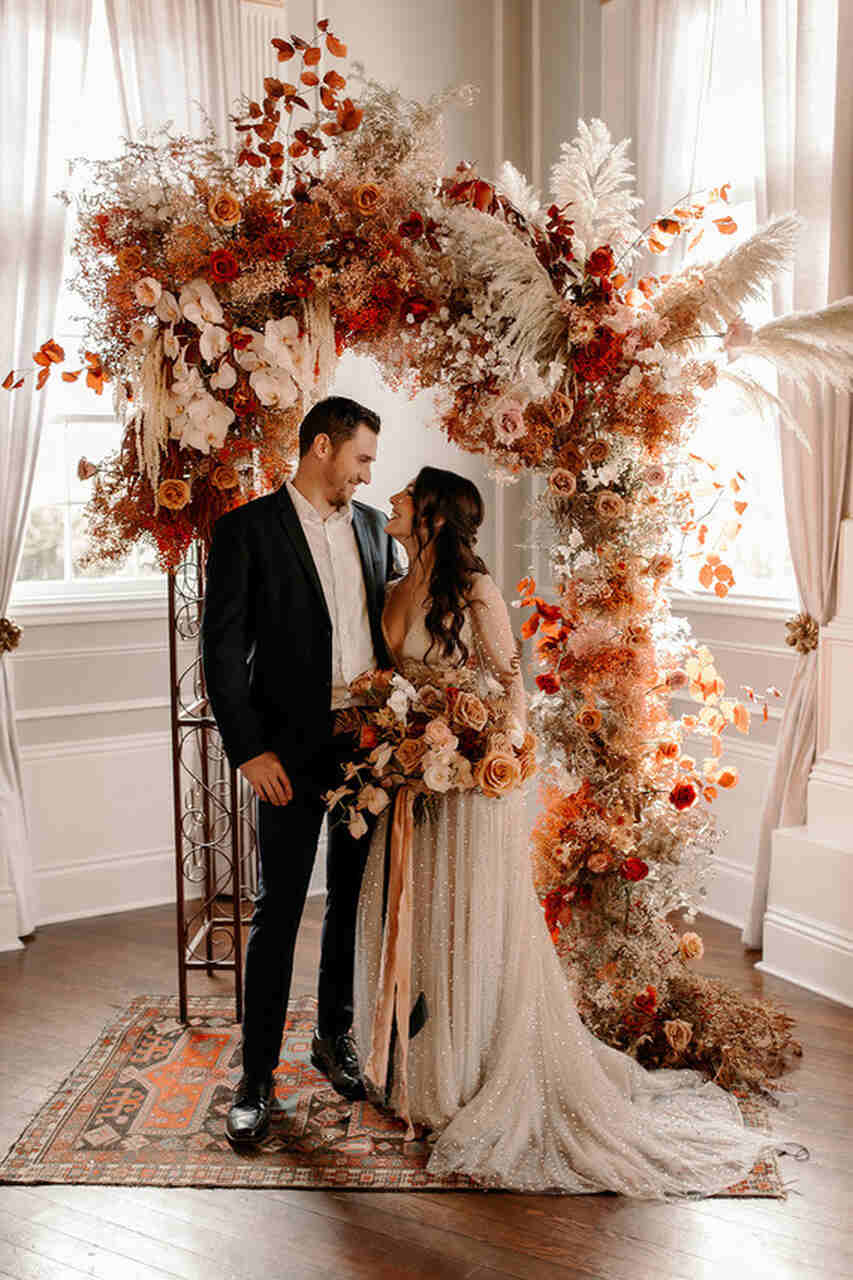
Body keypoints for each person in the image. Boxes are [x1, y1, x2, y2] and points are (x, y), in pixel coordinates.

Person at [352, 464, 799, 1198]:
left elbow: (510, 686)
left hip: (471, 794)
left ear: (431, 514)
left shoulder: (475, 591)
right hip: (414, 786)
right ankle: (422, 1075)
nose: (391, 498)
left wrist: (490, 752)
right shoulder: (395, 584)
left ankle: (472, 1077)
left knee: (471, 926)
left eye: (405, 493)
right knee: (424, 924)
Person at [201, 395, 401, 1145]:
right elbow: (221, 652)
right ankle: (255, 1077)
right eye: (360, 458)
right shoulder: (246, 531)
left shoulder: (376, 529)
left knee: (351, 899)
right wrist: (249, 749)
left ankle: (333, 1039)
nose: (366, 473)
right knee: (277, 910)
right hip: (285, 751)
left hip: (369, 747)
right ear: (321, 447)